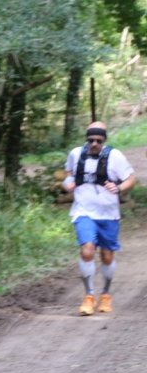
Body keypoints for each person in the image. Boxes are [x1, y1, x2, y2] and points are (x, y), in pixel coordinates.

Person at [62, 121, 135, 315]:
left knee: (107, 256)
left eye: (98, 140)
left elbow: (130, 179)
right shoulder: (76, 154)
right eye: (91, 140)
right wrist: (67, 183)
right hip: (83, 211)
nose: (94, 144)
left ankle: (105, 295)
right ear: (87, 139)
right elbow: (68, 174)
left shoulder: (115, 156)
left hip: (108, 214)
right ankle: (89, 296)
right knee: (87, 250)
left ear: (104, 140)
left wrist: (119, 187)